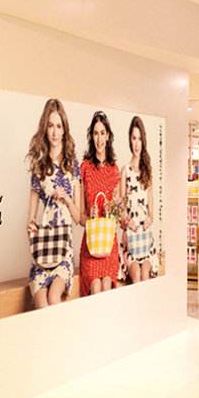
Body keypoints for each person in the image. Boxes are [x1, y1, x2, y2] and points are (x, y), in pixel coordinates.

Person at [25, 99, 82, 309]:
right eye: (50, 126)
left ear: (64, 130)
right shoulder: (39, 166)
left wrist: (66, 197)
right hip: (44, 248)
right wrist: (31, 228)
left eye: (59, 126)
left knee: (54, 298)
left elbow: (78, 217)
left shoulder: (72, 165)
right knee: (41, 304)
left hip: (63, 247)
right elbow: (30, 220)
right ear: (45, 128)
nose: (55, 132)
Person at [79, 111, 121, 296]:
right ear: (91, 136)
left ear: (108, 136)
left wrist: (113, 210)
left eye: (102, 133)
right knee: (96, 287)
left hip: (109, 243)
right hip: (91, 245)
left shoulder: (114, 170)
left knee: (107, 287)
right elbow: (80, 218)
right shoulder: (85, 168)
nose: (99, 139)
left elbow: (119, 213)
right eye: (96, 133)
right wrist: (90, 217)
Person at [120, 116, 156, 283]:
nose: (136, 143)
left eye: (139, 139)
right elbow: (121, 206)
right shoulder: (125, 170)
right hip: (131, 235)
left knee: (145, 275)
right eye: (134, 138)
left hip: (145, 237)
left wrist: (148, 220)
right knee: (136, 276)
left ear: (143, 141)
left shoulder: (147, 171)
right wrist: (128, 222)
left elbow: (151, 210)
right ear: (130, 139)